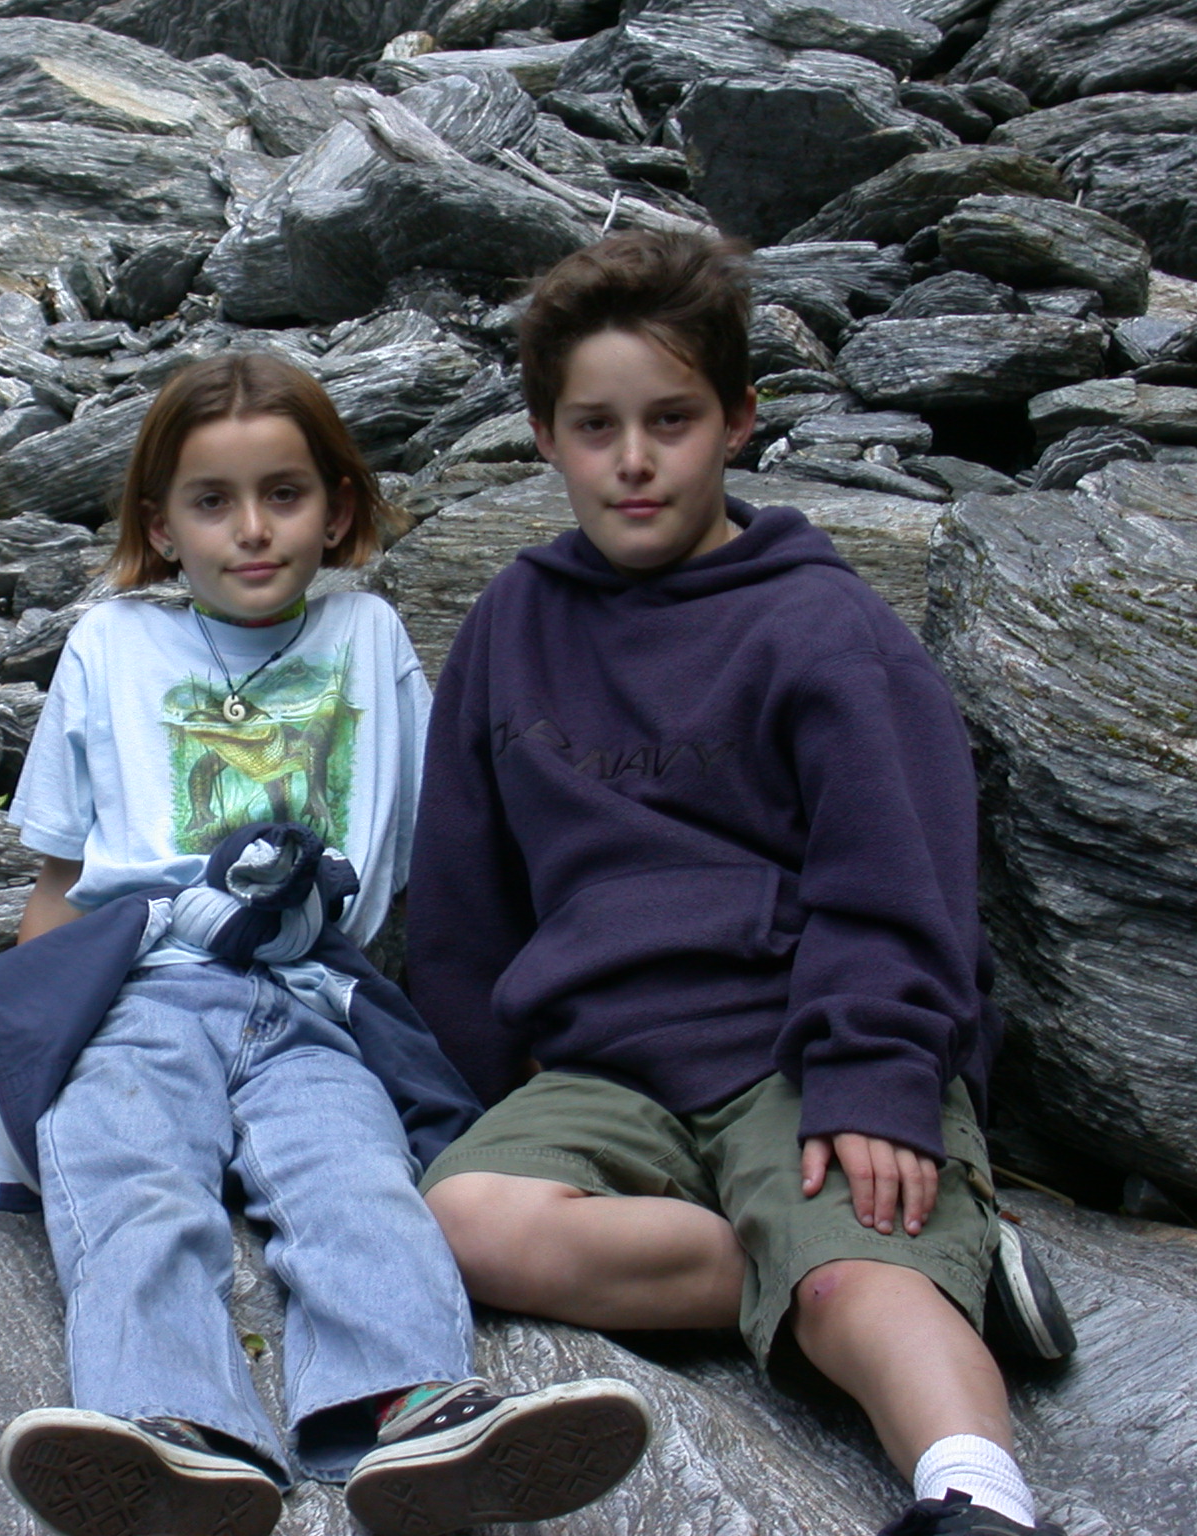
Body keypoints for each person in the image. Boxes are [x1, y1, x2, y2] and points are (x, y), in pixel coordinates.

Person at [0, 351, 651, 1536]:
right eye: (211, 502)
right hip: (142, 991)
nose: (252, 530)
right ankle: (170, 1427)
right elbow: (59, 893)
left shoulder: (367, 635)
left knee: (355, 1178)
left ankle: (414, 1408)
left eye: (284, 494)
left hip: (314, 998)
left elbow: (444, 868)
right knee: (124, 1172)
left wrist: (509, 1057)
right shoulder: (109, 646)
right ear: (159, 526)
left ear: (337, 506)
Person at [405, 229, 1075, 1536]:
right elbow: (463, 894)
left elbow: (899, 874)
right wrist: (484, 1087)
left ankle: (974, 1494)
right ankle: (887, 1263)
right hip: (605, 1070)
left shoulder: (820, 626)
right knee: (465, 1220)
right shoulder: (510, 623)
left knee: (851, 1288)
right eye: (595, 427)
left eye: (671, 420)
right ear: (544, 438)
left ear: (739, 420)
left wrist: (877, 1071)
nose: (633, 459)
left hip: (799, 1048)